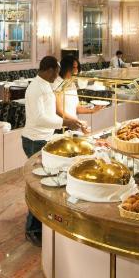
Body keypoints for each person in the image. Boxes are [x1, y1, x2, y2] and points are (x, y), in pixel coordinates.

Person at [22, 56, 84, 246]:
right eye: (55, 72)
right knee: (40, 185)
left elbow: (51, 112)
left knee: (47, 183)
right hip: (34, 140)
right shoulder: (35, 89)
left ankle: (43, 222)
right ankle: (32, 229)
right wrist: (65, 122)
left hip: (44, 137)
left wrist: (68, 121)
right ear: (49, 70)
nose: (57, 76)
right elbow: (39, 119)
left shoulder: (46, 85)